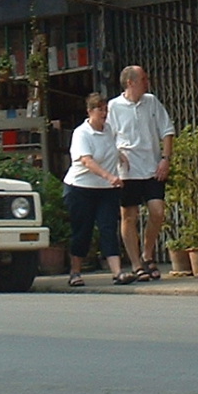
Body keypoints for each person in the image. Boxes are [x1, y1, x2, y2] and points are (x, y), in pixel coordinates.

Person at [107, 65, 175, 282]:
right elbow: (107, 135)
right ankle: (136, 263)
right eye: (143, 78)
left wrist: (165, 159)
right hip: (128, 171)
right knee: (129, 215)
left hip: (151, 166)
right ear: (131, 82)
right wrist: (117, 153)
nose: (147, 82)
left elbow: (167, 130)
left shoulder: (151, 101)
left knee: (157, 211)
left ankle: (147, 252)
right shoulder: (114, 107)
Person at [63, 92, 135, 287]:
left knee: (108, 228)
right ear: (89, 111)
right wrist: (109, 176)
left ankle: (117, 272)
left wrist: (120, 156)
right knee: (83, 230)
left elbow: (111, 146)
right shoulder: (82, 133)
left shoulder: (109, 130)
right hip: (81, 188)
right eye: (99, 109)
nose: (104, 113)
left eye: (105, 109)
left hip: (106, 190)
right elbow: (87, 161)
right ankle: (75, 272)